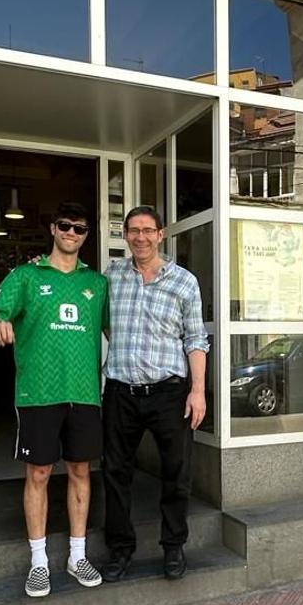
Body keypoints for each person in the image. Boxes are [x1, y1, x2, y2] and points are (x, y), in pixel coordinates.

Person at [0, 202, 108, 599]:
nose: (71, 233)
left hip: (85, 393)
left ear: (86, 235)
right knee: (39, 474)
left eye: (79, 228)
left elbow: (117, 332)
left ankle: (77, 555)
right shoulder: (26, 276)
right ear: (53, 228)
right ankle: (39, 563)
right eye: (65, 225)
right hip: (38, 393)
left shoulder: (97, 284)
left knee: (81, 470)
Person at [101, 205, 209, 582]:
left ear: (161, 235)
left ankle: (174, 546)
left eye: (148, 230)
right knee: (115, 472)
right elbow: (99, 321)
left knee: (176, 473)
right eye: (134, 230)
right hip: (120, 392)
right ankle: (119, 549)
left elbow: (196, 339)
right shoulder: (111, 276)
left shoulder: (183, 282)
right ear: (126, 235)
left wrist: (198, 391)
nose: (141, 237)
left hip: (169, 393)